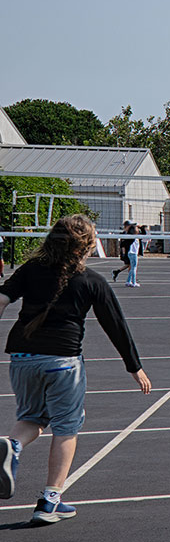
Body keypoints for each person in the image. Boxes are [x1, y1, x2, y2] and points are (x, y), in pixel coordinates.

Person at [0, 215, 152, 524]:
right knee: (66, 428)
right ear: (86, 246)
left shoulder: (30, 270)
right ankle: (50, 501)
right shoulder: (91, 280)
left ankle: (12, 445)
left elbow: (1, 298)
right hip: (62, 362)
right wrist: (134, 367)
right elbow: (115, 325)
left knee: (31, 417)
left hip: (22, 356)